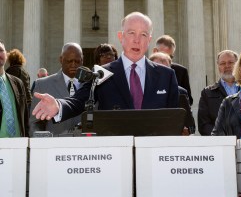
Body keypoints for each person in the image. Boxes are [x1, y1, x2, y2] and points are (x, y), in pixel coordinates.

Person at [31, 12, 179, 123]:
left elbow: (174, 119)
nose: (136, 40)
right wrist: (58, 105)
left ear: (149, 40)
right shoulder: (102, 73)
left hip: (152, 155)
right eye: (131, 33)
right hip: (116, 154)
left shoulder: (167, 75)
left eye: (143, 35)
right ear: (121, 37)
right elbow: (78, 101)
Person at [29, 43, 84, 136]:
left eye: (77, 61)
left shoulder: (92, 85)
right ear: (61, 60)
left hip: (87, 147)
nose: (73, 65)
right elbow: (35, 122)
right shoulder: (42, 85)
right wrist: (41, 143)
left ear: (82, 60)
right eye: (69, 61)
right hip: (53, 146)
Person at [149, 52, 195, 134]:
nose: (162, 74)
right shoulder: (140, 91)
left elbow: (191, 126)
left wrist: (186, 130)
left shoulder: (181, 92)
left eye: (166, 70)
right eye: (158, 70)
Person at [198, 50, 239, 136]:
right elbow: (204, 124)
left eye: (230, 62)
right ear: (218, 66)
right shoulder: (207, 93)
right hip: (220, 144)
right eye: (222, 63)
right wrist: (222, 138)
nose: (227, 66)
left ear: (237, 64)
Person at [153, 35, 193, 105]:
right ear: (155, 51)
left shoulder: (181, 71)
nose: (167, 59)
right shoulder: (143, 68)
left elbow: (188, 100)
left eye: (170, 56)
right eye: (163, 55)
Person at [0, 40, 29, 137]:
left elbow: (25, 117)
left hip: (18, 145)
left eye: (1, 50)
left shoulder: (18, 83)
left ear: (6, 55)